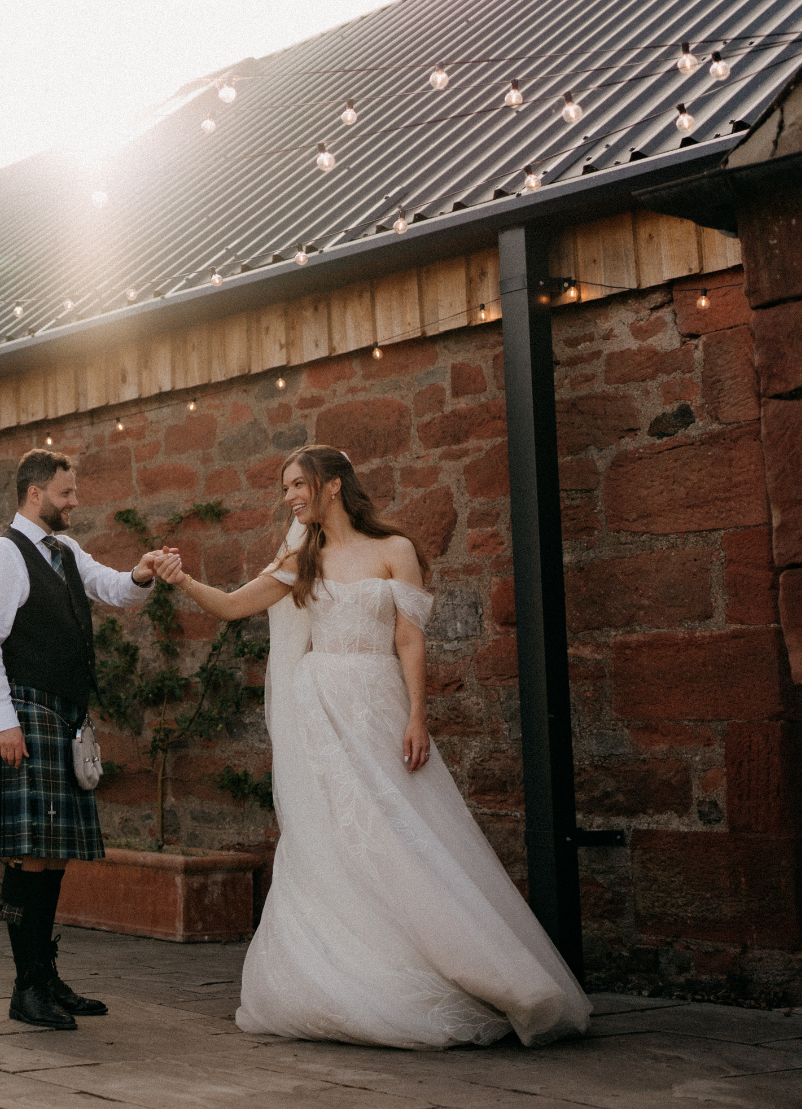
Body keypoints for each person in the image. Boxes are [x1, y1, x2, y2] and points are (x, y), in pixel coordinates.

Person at [155, 445, 589, 1049]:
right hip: (318, 710)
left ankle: (472, 965)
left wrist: (418, 715)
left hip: (379, 702)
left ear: (333, 485)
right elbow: (232, 606)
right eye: (285, 488)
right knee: (330, 835)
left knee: (401, 830)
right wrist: (182, 580)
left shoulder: (394, 550)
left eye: (297, 485)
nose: (289, 497)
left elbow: (409, 640)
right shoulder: (300, 559)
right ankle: (338, 974)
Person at [0, 448, 170, 1030]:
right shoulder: (3, 554)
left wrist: (142, 572)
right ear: (35, 494)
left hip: (63, 716)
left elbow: (113, 588)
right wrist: (4, 721)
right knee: (29, 852)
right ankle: (25, 988)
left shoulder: (65, 550)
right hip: (27, 717)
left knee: (53, 855)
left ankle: (46, 977)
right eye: (66, 493)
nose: (74, 502)